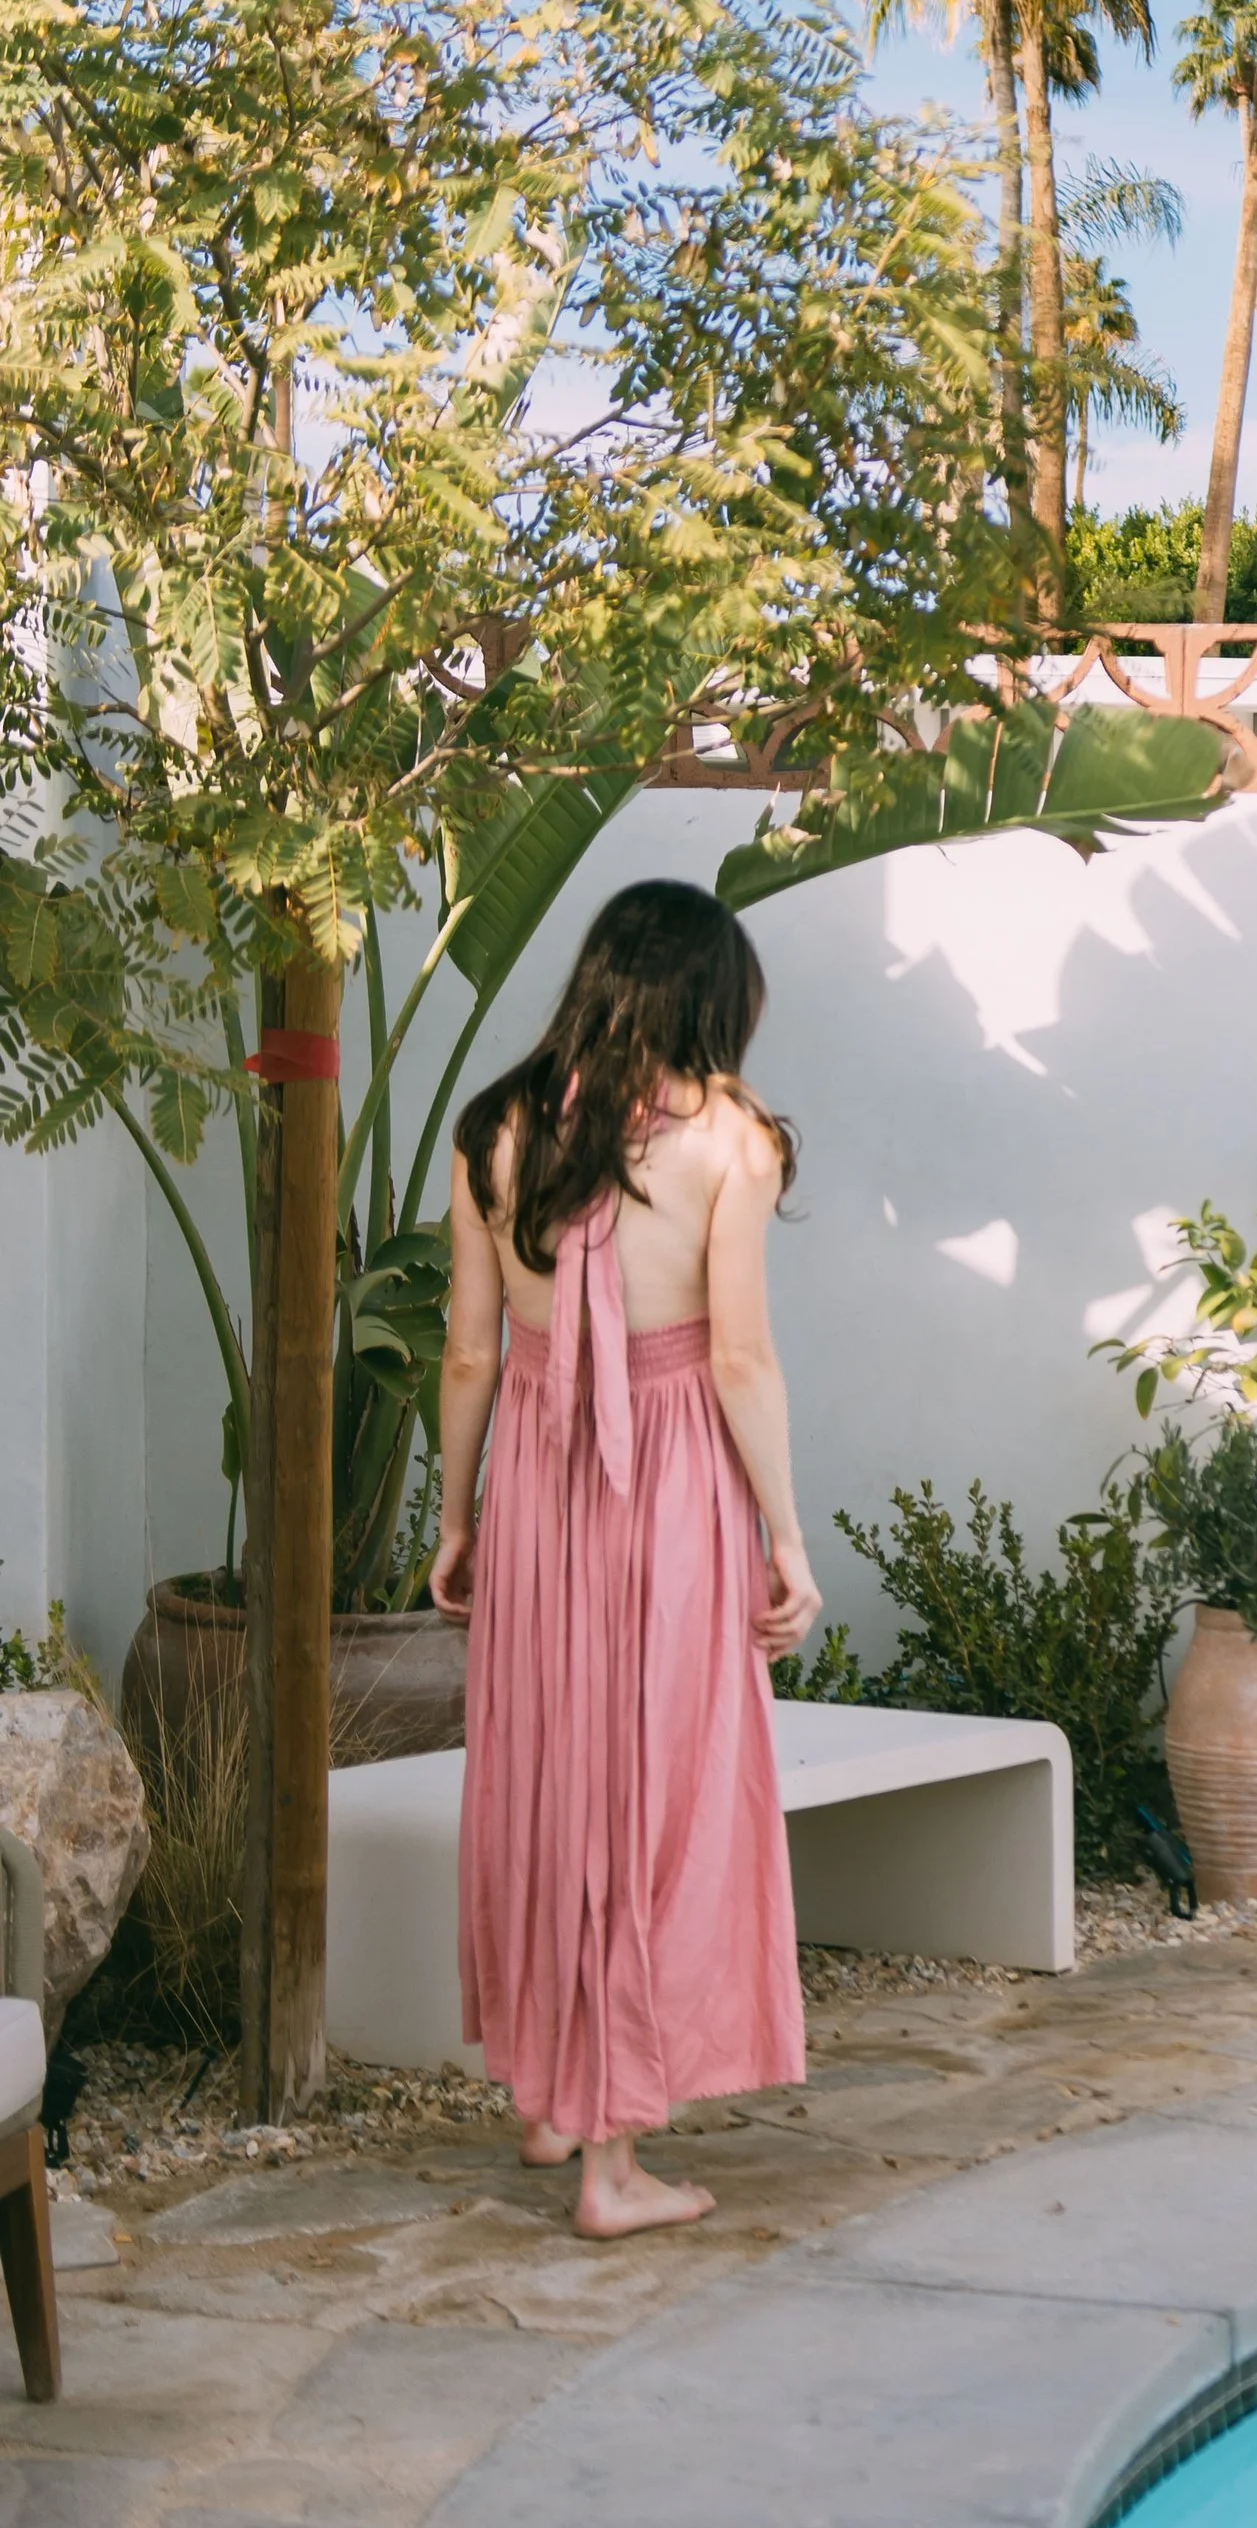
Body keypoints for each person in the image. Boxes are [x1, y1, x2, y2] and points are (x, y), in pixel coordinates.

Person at [430, 878, 821, 2239]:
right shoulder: (730, 1140)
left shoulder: (495, 1127)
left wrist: (457, 1515)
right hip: (666, 1480)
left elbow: (471, 1350)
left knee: (546, 1772)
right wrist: (785, 1534)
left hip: (540, 1471)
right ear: (706, 1001)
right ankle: (613, 2163)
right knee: (653, 1787)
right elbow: (738, 1355)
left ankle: (546, 2096)